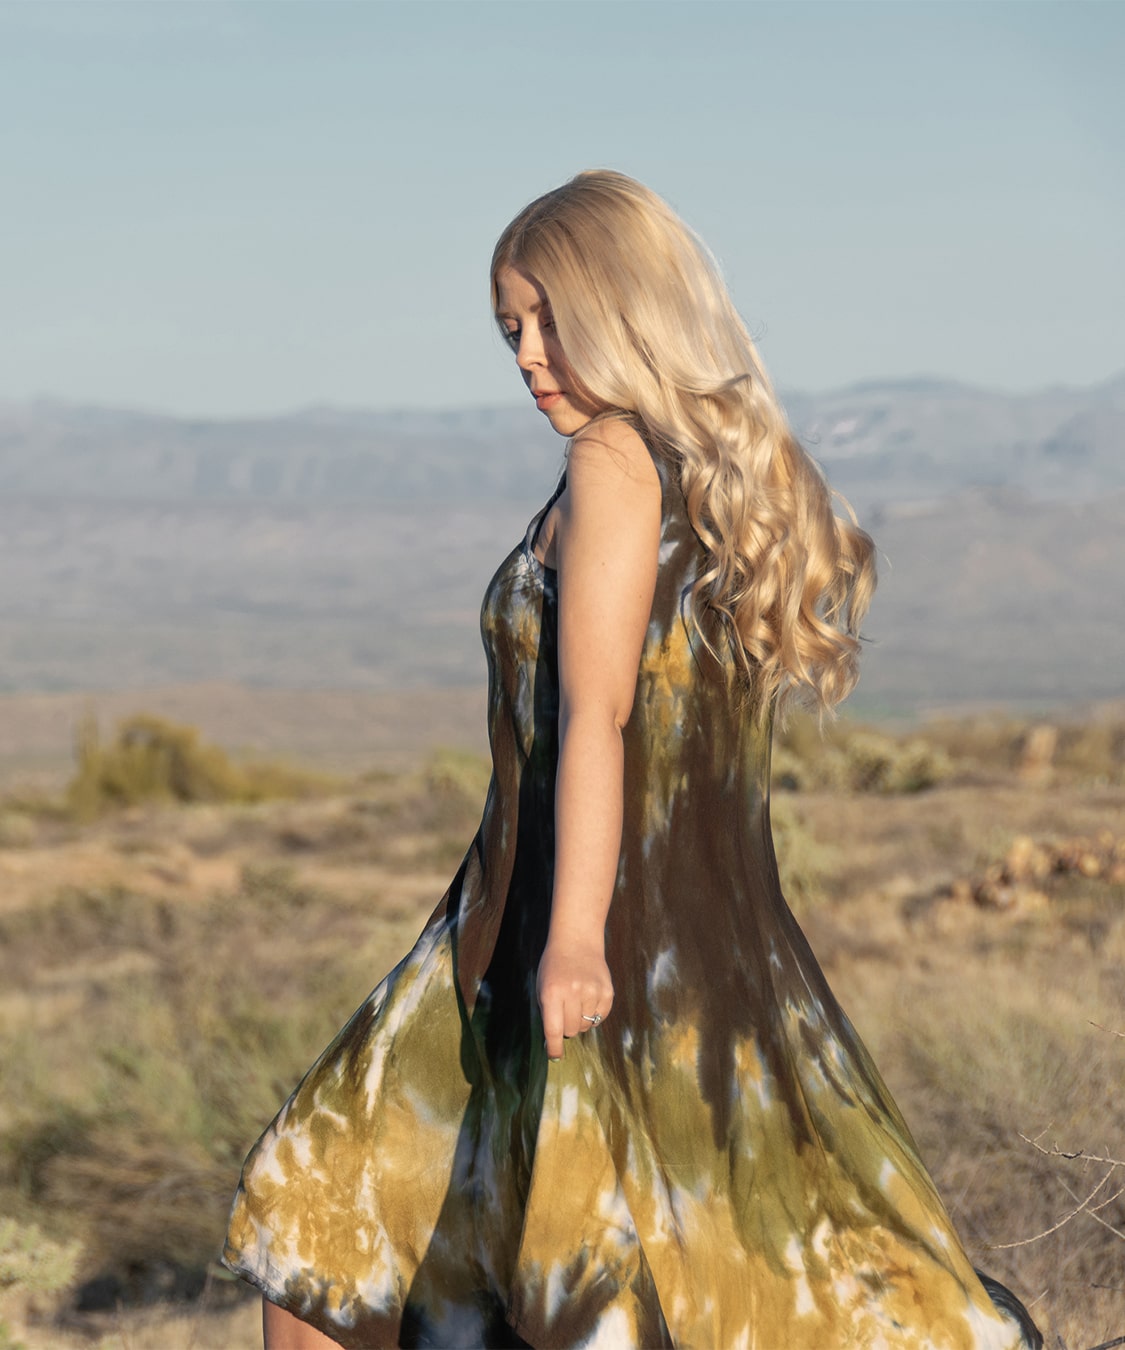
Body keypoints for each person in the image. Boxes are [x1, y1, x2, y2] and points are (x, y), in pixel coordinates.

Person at [223, 171, 1041, 1349]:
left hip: (575, 942)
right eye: (511, 329)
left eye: (551, 318)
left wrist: (567, 943)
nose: (527, 354)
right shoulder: (689, 474)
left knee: (331, 1220)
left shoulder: (614, 459)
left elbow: (599, 717)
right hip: (618, 941)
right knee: (514, 1251)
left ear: (624, 308)